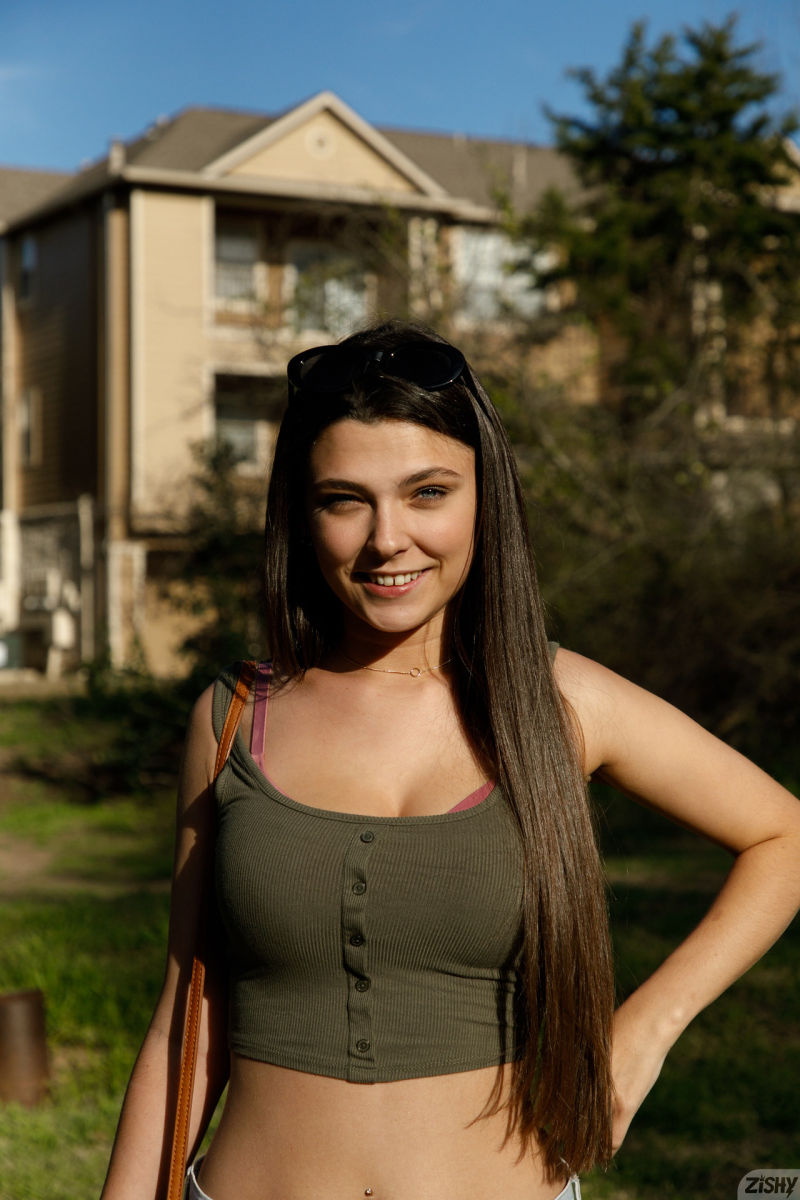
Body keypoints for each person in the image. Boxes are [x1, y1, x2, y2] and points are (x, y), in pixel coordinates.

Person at [101, 320, 800, 1200]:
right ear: (300, 514)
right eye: (344, 499)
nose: (387, 538)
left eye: (428, 493)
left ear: (484, 497)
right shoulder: (234, 719)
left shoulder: (561, 703)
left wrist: (642, 1036)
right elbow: (184, 1026)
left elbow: (784, 837)